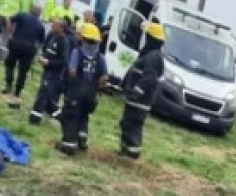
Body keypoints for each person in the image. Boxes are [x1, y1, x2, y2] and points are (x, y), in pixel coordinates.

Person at [58, 22, 108, 156]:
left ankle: (69, 145)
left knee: (71, 115)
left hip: (77, 91)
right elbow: (104, 77)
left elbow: (72, 71)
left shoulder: (77, 52)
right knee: (84, 113)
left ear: (84, 39)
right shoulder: (100, 57)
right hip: (91, 94)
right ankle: (82, 136)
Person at [118, 22, 165, 160]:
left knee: (133, 124)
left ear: (150, 38)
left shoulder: (152, 56)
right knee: (127, 123)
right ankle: (125, 151)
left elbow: (149, 78)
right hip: (137, 100)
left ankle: (131, 154)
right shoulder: (152, 54)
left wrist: (136, 92)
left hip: (139, 101)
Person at [28, 16, 70, 125]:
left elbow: (64, 62)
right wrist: (42, 57)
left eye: (54, 25)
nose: (51, 26)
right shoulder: (52, 36)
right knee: (49, 96)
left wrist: (49, 63)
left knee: (43, 94)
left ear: (61, 28)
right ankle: (61, 117)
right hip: (47, 71)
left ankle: (34, 119)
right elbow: (47, 50)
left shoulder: (64, 42)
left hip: (54, 74)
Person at [2, 2, 45, 107]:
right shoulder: (40, 26)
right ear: (40, 14)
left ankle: (8, 84)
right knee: (23, 71)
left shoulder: (22, 15)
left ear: (30, 9)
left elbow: (8, 19)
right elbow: (41, 42)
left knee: (9, 65)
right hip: (29, 49)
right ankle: (17, 92)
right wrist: (37, 52)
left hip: (16, 44)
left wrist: (9, 34)